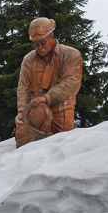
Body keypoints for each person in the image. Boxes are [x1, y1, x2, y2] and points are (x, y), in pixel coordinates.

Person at [15, 17, 83, 147]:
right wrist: (22, 111)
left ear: (51, 36)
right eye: (36, 44)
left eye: (43, 42)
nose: (39, 47)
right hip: (36, 113)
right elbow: (23, 87)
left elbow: (71, 82)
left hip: (61, 111)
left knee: (61, 148)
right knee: (29, 150)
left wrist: (47, 98)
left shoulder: (70, 55)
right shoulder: (28, 60)